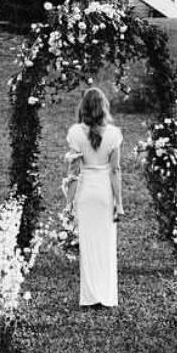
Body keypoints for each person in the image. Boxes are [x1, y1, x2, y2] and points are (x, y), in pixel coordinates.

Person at [63, 86, 123, 308]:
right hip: (105, 193)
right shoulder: (114, 134)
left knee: (88, 245)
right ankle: (107, 295)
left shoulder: (75, 133)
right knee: (106, 244)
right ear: (104, 107)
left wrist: (68, 203)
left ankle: (89, 296)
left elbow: (74, 172)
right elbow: (115, 171)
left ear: (83, 107)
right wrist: (120, 203)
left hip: (86, 192)